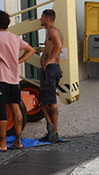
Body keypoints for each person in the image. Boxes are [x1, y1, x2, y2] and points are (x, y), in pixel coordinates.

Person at [0, 10, 35, 151]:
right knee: (16, 108)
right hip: (14, 79)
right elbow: (30, 50)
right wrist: (19, 61)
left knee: (1, 110)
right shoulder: (14, 37)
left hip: (1, 78)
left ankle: (2, 143)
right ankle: (18, 141)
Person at [37, 9, 63, 143]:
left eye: (41, 17)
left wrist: (48, 60)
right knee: (42, 99)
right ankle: (50, 128)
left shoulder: (52, 31)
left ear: (46, 18)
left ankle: (55, 133)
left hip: (51, 69)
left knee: (51, 101)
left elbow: (59, 46)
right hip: (50, 70)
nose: (40, 19)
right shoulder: (52, 31)